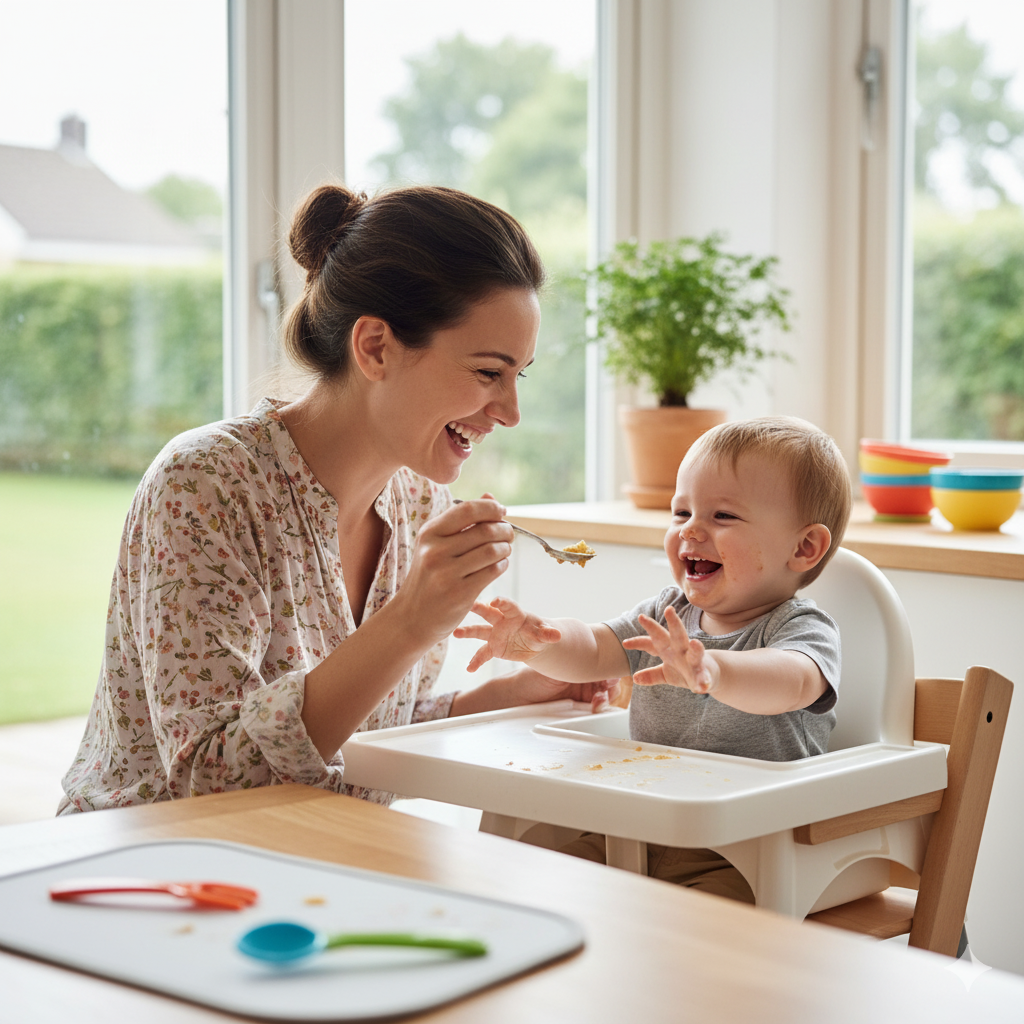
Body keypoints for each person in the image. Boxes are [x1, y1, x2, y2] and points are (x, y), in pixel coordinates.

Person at [59, 183, 615, 815]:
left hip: (321, 858)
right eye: (489, 372)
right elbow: (210, 783)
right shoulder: (206, 484)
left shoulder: (419, 499)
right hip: (156, 876)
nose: (510, 412)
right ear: (375, 346)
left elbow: (352, 730)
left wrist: (500, 696)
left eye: (520, 376)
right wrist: (408, 621)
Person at [454, 416, 853, 900]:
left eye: (722, 516)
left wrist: (715, 670)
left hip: (745, 850)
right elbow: (598, 646)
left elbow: (791, 681)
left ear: (804, 547)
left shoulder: (799, 627)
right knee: (528, 871)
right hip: (633, 825)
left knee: (701, 931)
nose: (691, 531)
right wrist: (543, 642)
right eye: (681, 513)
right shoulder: (667, 614)